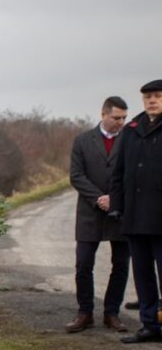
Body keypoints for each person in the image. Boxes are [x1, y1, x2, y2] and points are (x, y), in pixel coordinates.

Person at [66, 96, 130, 334]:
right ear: (103, 114)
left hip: (120, 211)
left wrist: (114, 197)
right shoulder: (83, 141)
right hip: (89, 212)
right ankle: (85, 312)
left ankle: (112, 313)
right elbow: (76, 175)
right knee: (83, 263)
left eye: (124, 118)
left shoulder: (129, 140)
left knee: (121, 265)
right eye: (116, 118)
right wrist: (99, 198)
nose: (120, 122)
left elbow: (132, 173)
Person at [111, 80, 162, 343]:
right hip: (135, 215)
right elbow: (119, 171)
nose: (152, 100)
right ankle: (150, 324)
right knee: (142, 274)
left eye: (156, 96)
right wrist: (118, 206)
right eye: (147, 97)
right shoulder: (132, 130)